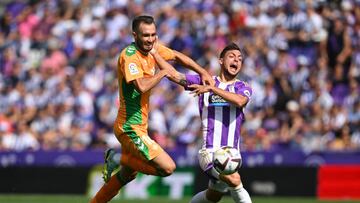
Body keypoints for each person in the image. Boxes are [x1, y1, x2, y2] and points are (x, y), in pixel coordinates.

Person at [89, 15, 214, 203]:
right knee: (167, 168)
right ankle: (117, 157)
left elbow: (177, 56)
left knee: (126, 176)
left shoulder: (153, 49)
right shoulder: (129, 56)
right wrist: (163, 72)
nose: (150, 39)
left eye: (153, 35)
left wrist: (202, 72)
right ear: (135, 35)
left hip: (139, 126)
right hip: (129, 128)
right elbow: (141, 86)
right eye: (146, 35)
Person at [150, 42, 252, 203]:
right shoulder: (205, 80)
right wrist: (154, 54)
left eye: (240, 58)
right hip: (210, 152)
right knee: (234, 180)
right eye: (231, 56)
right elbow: (174, 75)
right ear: (220, 60)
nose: (236, 60)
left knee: (213, 196)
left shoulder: (242, 87)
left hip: (232, 153)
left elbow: (240, 101)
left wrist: (212, 89)